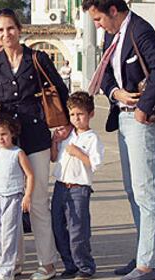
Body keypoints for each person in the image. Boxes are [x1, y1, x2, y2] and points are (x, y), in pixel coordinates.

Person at [82, 0, 155, 280]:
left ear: (112, 10)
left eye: (98, 19)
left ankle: (147, 265)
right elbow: (106, 72)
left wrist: (143, 108)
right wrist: (115, 92)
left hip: (143, 121)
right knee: (133, 190)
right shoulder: (113, 34)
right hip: (123, 117)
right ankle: (147, 253)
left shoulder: (140, 30)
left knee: (146, 191)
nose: (97, 26)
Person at [0, 8, 69, 280]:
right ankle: (12, 262)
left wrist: (64, 125)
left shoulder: (37, 58)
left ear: (19, 29)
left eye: (10, 28)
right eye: (0, 30)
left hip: (36, 137)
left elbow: (60, 91)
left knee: (38, 202)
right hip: (6, 143)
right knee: (8, 204)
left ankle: (48, 263)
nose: (6, 34)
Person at [50, 92, 104, 280]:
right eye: (72, 115)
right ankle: (69, 264)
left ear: (91, 114)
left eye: (80, 114)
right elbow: (54, 157)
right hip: (60, 186)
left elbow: (95, 164)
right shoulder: (67, 134)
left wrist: (79, 153)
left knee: (77, 230)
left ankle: (85, 267)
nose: (76, 118)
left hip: (79, 188)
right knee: (57, 227)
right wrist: (55, 143)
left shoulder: (92, 138)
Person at [0, 115, 34, 280]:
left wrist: (27, 196)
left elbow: (30, 175)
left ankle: (5, 270)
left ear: (12, 134)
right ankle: (12, 263)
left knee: (9, 235)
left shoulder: (18, 153)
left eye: (3, 134)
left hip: (13, 197)